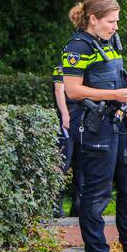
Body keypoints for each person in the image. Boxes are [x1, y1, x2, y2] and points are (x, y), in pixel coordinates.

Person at [59, 0, 127, 252]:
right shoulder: (78, 46)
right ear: (93, 19)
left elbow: (106, 78)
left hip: (120, 124)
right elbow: (73, 90)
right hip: (96, 127)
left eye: (116, 21)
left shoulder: (109, 43)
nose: (116, 26)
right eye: (111, 21)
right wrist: (114, 93)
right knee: (97, 194)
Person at [53, 64, 82, 218]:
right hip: (67, 118)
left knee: (81, 163)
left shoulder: (84, 68)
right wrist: (64, 113)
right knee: (64, 162)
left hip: (81, 117)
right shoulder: (60, 68)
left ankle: (78, 204)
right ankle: (56, 204)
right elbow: (59, 90)